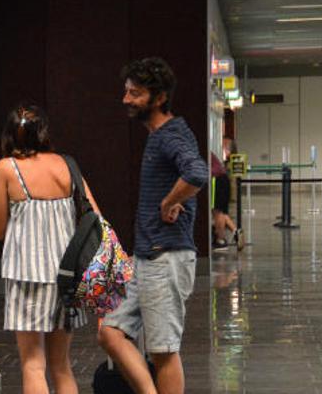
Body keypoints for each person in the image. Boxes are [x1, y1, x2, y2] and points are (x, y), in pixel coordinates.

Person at [99, 57, 208, 394]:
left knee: (163, 351)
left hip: (166, 257)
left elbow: (197, 173)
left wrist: (169, 201)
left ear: (159, 98)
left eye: (135, 93)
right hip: (149, 257)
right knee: (110, 332)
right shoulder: (160, 136)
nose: (126, 99)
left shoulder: (169, 135)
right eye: (126, 92)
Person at [0, 104, 100, 394]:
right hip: (67, 276)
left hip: (28, 276)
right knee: (61, 365)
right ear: (43, 133)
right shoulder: (66, 165)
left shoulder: (5, 168)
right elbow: (94, 217)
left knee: (32, 364)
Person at [211, 152, 241, 250]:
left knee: (217, 211)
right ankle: (236, 232)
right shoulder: (208, 153)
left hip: (216, 180)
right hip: (222, 178)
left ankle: (221, 240)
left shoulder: (199, 151)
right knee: (221, 211)